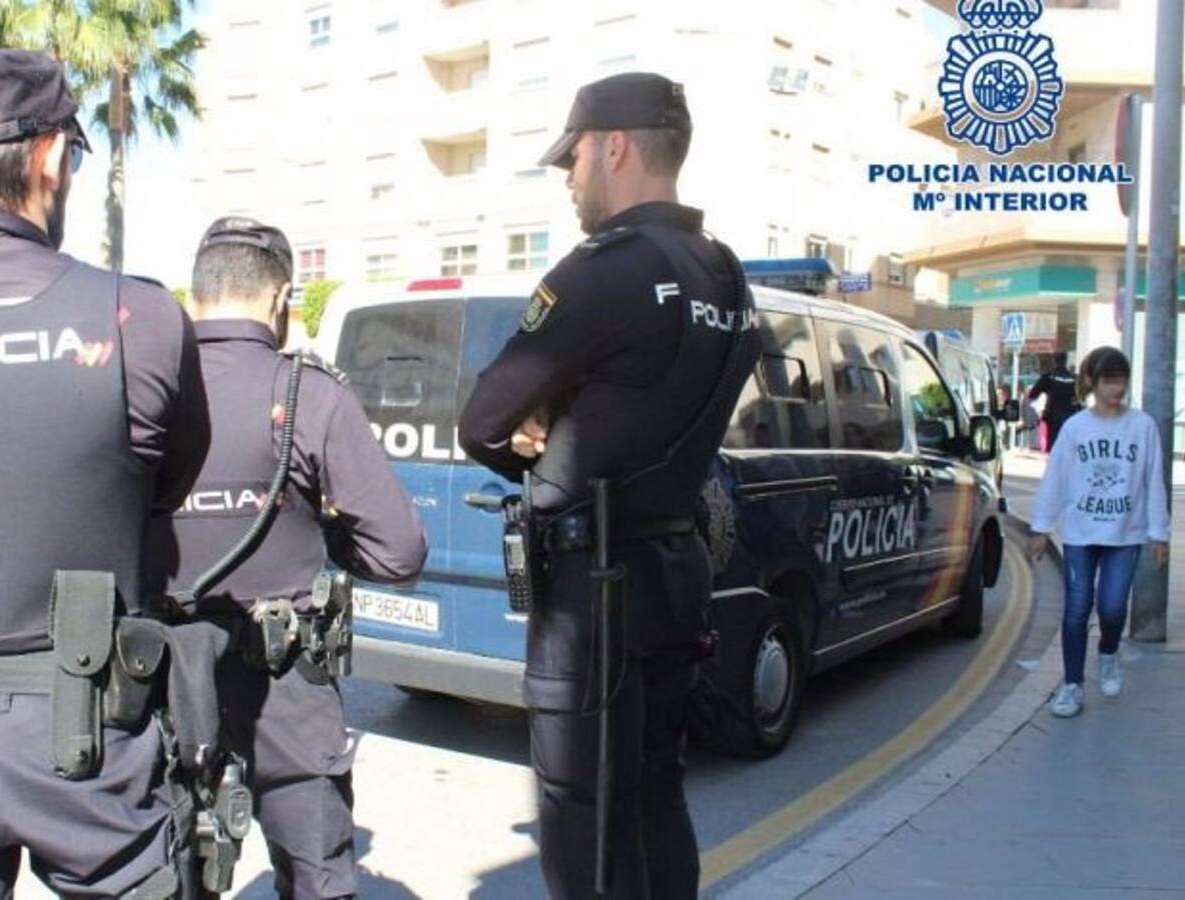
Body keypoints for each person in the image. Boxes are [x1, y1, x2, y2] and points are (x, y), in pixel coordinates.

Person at [458, 72, 760, 899]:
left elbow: (482, 421)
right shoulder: (726, 276)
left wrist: (547, 440)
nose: (568, 176)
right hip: (674, 575)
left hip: (593, 595)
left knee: (584, 815)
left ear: (615, 148)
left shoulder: (605, 271)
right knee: (658, 795)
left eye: (575, 156)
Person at [143, 216, 427, 899]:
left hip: (162, 683)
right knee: (316, 879)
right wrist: (321, 530)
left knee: (161, 874)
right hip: (286, 692)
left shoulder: (143, 389)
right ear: (280, 300)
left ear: (197, 293)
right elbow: (399, 553)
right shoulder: (309, 393)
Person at [0, 49, 211, 897]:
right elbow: (168, 483)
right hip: (84, 729)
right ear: (49, 155)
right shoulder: (139, 317)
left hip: (88, 718)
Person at [1030, 346, 1171, 718]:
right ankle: (1072, 685)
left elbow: (1153, 481)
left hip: (1125, 534)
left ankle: (1108, 653)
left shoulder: (1142, 426)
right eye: (1109, 380)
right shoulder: (1076, 428)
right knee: (1077, 609)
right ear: (1092, 382)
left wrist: (1159, 533)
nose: (1117, 388)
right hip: (1080, 533)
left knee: (1112, 606)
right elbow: (1056, 478)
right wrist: (1041, 527)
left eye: (1122, 380)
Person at [1028, 350, 1080, 451]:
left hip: (1053, 417)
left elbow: (1032, 394)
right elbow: (1081, 397)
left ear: (1054, 361)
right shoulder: (1074, 378)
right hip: (1070, 416)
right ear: (1066, 361)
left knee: (1053, 446)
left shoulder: (1048, 377)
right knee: (1069, 446)